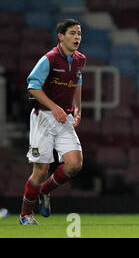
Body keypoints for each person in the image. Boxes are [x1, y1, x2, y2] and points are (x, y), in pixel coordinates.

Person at [19, 19, 86, 225]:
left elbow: (77, 81)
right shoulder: (49, 59)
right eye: (73, 33)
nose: (77, 38)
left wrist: (77, 107)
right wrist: (54, 106)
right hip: (44, 118)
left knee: (75, 164)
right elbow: (32, 86)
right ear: (61, 36)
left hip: (63, 118)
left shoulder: (80, 59)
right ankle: (25, 215)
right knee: (40, 170)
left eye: (79, 34)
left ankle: (45, 190)